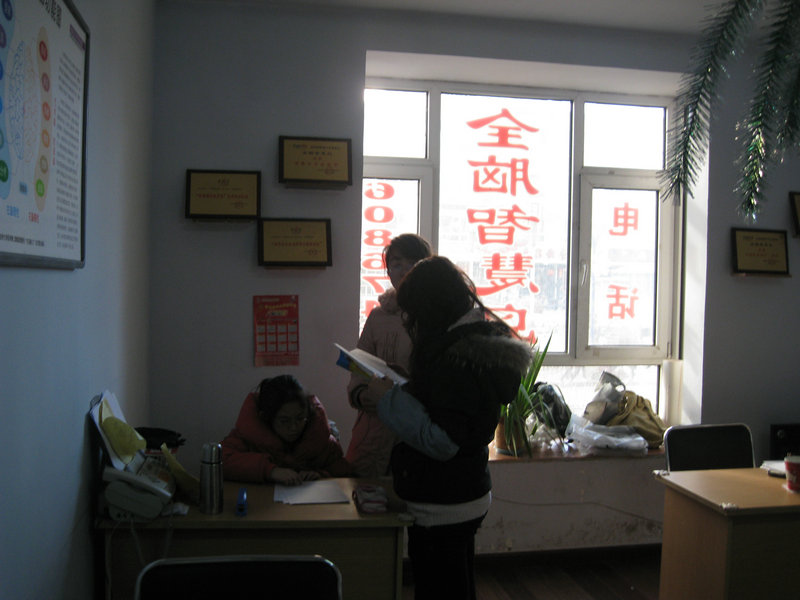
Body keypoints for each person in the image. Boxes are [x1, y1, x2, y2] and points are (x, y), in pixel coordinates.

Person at [367, 256, 532, 600]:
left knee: (439, 588)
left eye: (414, 314)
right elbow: (452, 410)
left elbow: (443, 441)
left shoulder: (453, 358)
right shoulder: (474, 342)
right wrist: (411, 387)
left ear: (431, 309)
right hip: (467, 488)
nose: (411, 323)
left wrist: (389, 399)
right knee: (457, 584)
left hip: (442, 499)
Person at [345, 233, 433, 478]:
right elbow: (358, 368)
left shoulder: (436, 317)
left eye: (412, 263)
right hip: (374, 428)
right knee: (365, 495)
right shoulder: (378, 316)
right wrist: (361, 395)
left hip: (415, 430)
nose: (404, 271)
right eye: (396, 264)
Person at [221, 374, 352, 485]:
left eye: (300, 418)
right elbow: (221, 461)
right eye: (284, 421)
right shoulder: (248, 436)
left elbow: (343, 470)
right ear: (266, 418)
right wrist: (271, 471)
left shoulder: (320, 440)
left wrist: (321, 474)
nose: (294, 427)